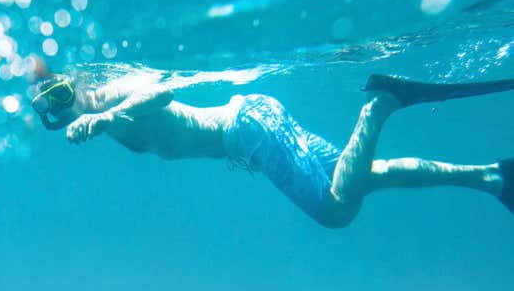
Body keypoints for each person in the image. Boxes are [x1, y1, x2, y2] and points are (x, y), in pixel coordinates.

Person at [30, 72, 514, 228]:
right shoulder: (100, 117)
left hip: (248, 130)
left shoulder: (114, 93)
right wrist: (97, 121)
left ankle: (382, 103)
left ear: (80, 82)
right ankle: (489, 177)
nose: (60, 106)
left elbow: (161, 92)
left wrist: (105, 116)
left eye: (61, 91)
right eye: (48, 106)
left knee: (336, 211)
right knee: (367, 174)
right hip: (253, 123)